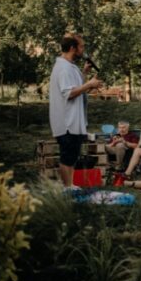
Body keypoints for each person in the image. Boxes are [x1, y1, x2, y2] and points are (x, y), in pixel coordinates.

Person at [49, 33, 103, 188]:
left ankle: (70, 185)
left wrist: (84, 74)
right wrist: (89, 84)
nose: (83, 49)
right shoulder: (64, 68)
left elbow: (76, 87)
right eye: (81, 46)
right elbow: (69, 93)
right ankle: (67, 188)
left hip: (74, 121)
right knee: (67, 157)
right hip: (67, 122)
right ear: (73, 48)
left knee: (72, 156)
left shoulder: (70, 66)